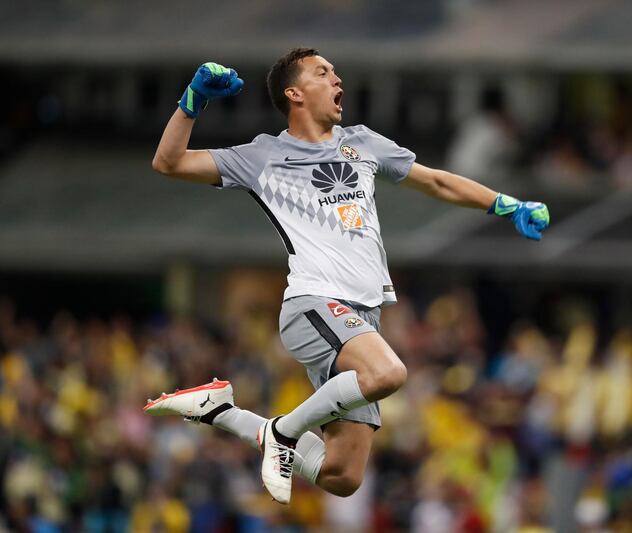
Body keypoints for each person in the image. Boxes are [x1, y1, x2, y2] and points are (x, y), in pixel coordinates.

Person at [145, 48, 550, 505]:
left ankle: (224, 412)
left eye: (337, 73)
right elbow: (169, 162)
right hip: (314, 305)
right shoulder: (264, 156)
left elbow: (436, 181)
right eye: (323, 73)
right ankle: (283, 431)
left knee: (342, 476)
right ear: (294, 93)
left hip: (360, 320)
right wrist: (192, 100)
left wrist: (506, 203)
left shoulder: (363, 142)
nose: (338, 81)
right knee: (388, 372)